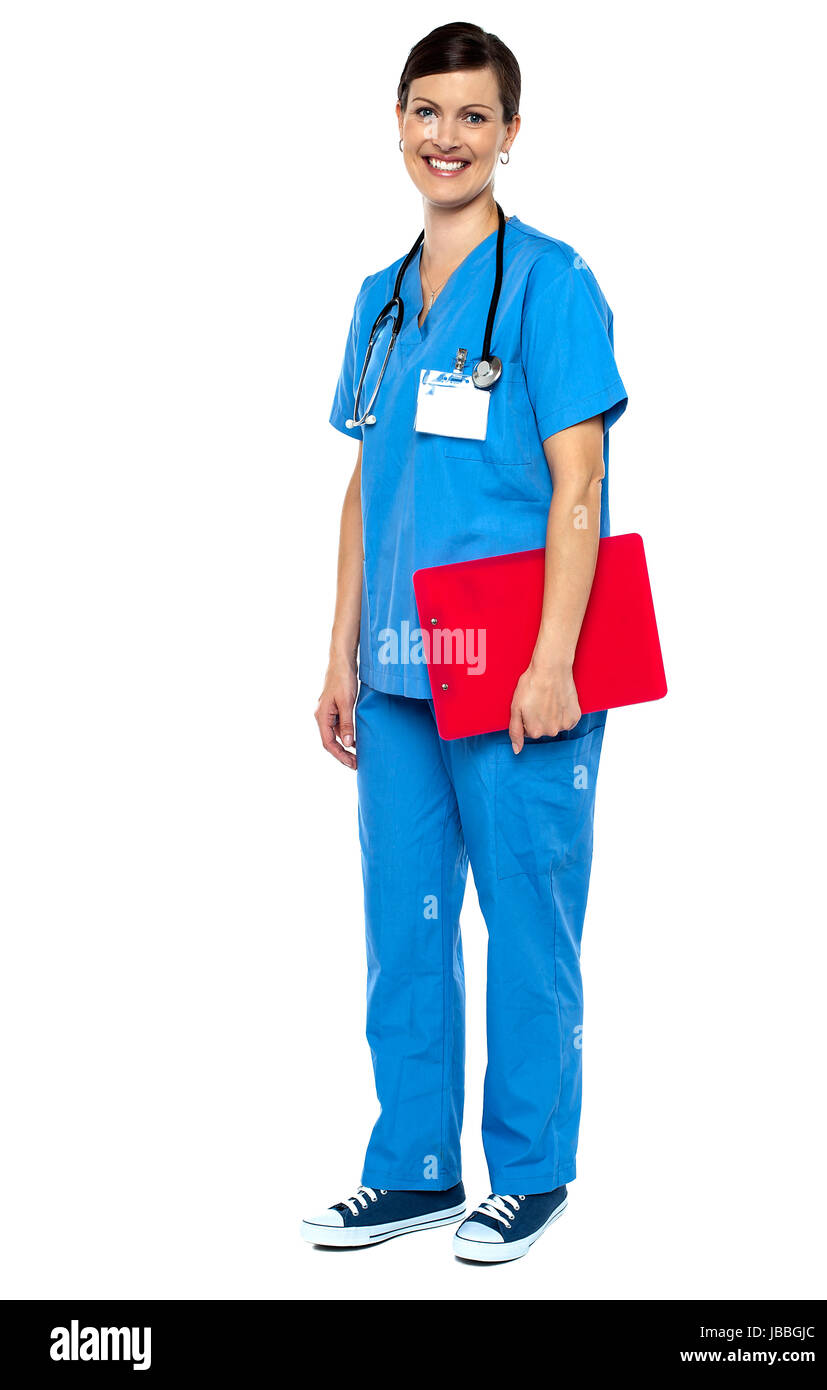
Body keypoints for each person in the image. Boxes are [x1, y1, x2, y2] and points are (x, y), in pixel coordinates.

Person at [302, 21, 628, 1263]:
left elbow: (579, 479)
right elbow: (363, 483)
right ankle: (416, 1169)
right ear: (397, 122)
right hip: (394, 676)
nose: (446, 137)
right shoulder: (378, 303)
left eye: (471, 116)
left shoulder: (551, 283)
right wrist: (337, 654)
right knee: (406, 925)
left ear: (510, 135)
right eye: (425, 111)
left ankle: (532, 1173)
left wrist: (554, 657)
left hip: (515, 668)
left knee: (530, 929)